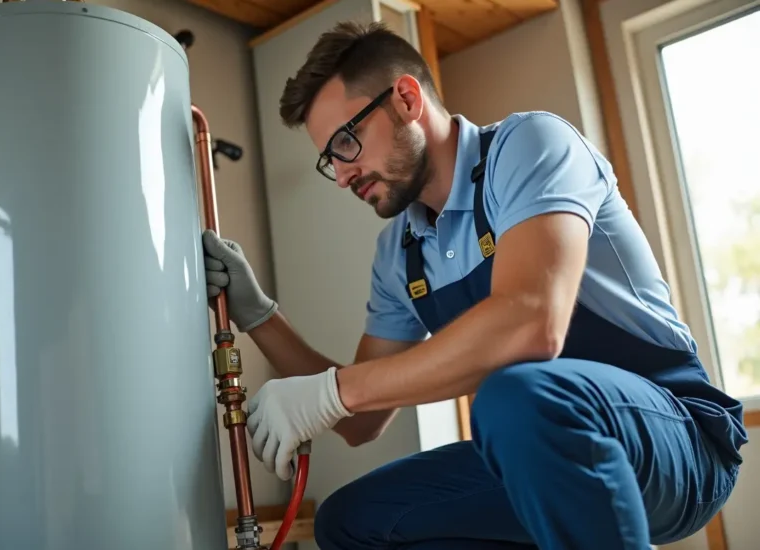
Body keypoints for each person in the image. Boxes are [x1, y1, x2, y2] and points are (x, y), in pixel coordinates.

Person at [201, 21, 747, 550]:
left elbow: (532, 324)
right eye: (329, 159)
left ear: (406, 100)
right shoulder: (400, 254)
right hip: (537, 448)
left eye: (347, 141)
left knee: (516, 398)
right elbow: (362, 418)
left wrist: (332, 391)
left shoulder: (528, 146)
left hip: (679, 439)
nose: (342, 175)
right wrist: (259, 315)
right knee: (350, 523)